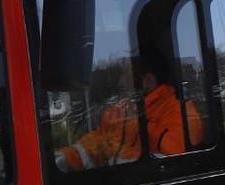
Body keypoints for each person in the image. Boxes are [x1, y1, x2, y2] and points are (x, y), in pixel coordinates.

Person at [55, 56, 205, 172]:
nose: (121, 82)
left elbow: (172, 161)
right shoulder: (122, 109)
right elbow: (98, 143)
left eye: (127, 75)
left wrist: (138, 123)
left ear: (147, 80)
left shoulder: (182, 111)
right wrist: (65, 159)